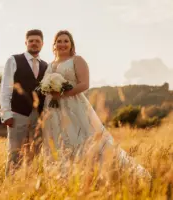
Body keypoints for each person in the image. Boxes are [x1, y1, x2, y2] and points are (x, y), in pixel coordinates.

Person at [40, 30, 151, 179]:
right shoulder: (50, 64)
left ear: (71, 44)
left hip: (73, 106)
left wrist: (63, 93)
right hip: (53, 109)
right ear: (54, 45)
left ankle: (101, 173)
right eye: (59, 41)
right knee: (57, 141)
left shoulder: (77, 60)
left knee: (83, 139)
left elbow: (84, 84)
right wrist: (49, 91)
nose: (62, 44)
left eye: (66, 41)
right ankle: (63, 177)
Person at [0, 29, 48, 176]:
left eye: (37, 41)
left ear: (42, 44)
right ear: (26, 42)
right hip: (17, 113)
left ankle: (28, 187)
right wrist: (5, 112)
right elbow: (6, 86)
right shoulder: (14, 60)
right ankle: (10, 188)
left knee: (35, 153)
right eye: (31, 41)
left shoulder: (46, 66)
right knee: (15, 153)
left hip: (38, 117)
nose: (34, 43)